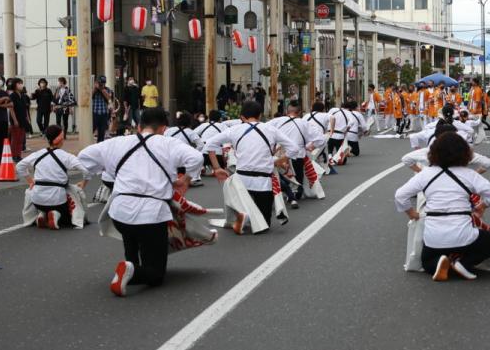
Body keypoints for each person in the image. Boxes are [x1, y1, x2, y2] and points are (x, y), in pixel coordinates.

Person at [79, 107, 202, 296]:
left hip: (119, 211)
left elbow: (84, 157)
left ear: (139, 126)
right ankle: (133, 272)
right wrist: (185, 180)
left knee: (132, 239)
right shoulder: (167, 143)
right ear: (163, 128)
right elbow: (196, 157)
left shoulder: (116, 143)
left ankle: (130, 266)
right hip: (151, 214)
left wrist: (109, 170)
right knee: (156, 275)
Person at [394, 131, 490, 281]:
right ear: (465, 153)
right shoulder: (469, 174)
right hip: (464, 235)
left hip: (434, 236)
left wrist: (412, 214)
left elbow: (400, 195)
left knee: (427, 263)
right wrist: (482, 206)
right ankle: (463, 263)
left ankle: (440, 263)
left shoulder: (426, 174)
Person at [205, 100, 288, 232]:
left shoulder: (234, 130)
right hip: (264, 181)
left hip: (242, 180)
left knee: (235, 194)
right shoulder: (271, 130)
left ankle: (242, 217)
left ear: (242, 117)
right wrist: (281, 160)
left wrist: (217, 168)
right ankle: (249, 219)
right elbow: (294, 148)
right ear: (260, 115)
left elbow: (209, 144)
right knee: (264, 224)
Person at [17, 124, 86, 230]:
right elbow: (85, 169)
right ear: (61, 138)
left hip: (37, 201)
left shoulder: (37, 154)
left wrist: (30, 181)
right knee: (73, 195)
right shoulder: (66, 156)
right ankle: (56, 214)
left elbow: (19, 166)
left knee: (35, 195)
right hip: (57, 201)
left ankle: (42, 215)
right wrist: (84, 182)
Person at [269, 100, 326, 208]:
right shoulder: (304, 123)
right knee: (297, 179)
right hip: (297, 155)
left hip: (279, 156)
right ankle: (295, 194)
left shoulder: (276, 121)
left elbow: (264, 132)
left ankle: (286, 195)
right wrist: (311, 146)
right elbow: (321, 140)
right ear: (299, 112)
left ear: (286, 111)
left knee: (279, 178)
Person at [10, 78, 32, 155]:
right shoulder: (12, 95)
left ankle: (18, 154)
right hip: (16, 120)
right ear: (14, 85)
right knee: (15, 138)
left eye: (21, 83)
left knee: (21, 139)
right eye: (19, 83)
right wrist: (15, 120)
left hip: (23, 119)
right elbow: (11, 109)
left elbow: (25, 108)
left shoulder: (23, 95)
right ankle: (14, 155)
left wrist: (28, 118)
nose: (21, 85)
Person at [91, 77, 114, 143]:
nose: (102, 84)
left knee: (102, 132)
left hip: (104, 113)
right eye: (100, 83)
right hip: (95, 113)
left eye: (103, 83)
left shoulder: (107, 89)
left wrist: (102, 90)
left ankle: (100, 144)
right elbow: (90, 97)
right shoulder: (94, 89)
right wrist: (95, 88)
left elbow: (109, 98)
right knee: (91, 130)